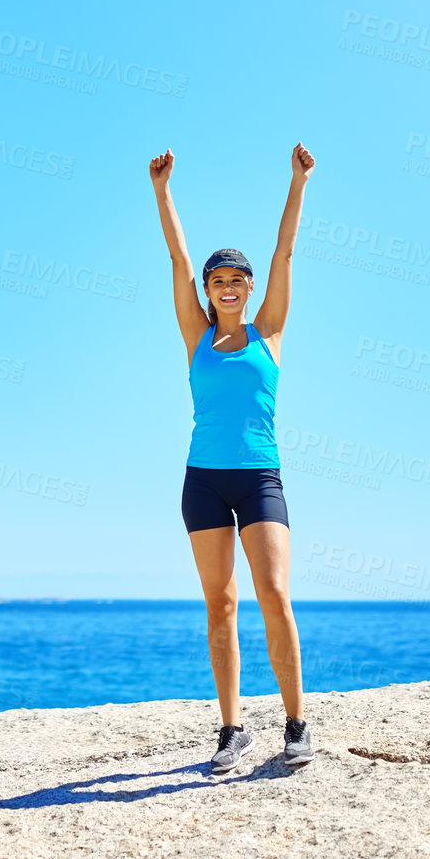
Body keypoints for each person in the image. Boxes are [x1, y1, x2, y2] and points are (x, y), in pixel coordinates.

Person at [148, 142, 316, 775]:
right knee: (220, 603)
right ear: (207, 291)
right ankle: (231, 730)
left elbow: (285, 252)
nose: (225, 289)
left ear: (248, 289)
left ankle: (296, 724)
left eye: (234, 281)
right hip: (203, 482)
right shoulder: (196, 337)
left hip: (259, 479)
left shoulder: (267, 332)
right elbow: (177, 256)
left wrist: (297, 181)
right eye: (215, 282)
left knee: (274, 593)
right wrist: (163, 192)